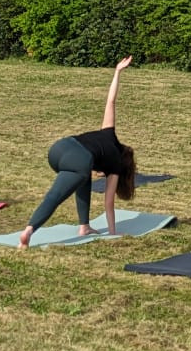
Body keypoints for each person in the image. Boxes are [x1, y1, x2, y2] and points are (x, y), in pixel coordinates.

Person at [16, 57, 140, 248]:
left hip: (58, 149)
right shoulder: (115, 165)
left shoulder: (108, 132)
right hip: (78, 159)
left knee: (84, 176)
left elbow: (111, 101)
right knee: (56, 196)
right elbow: (108, 203)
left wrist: (117, 71)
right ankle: (28, 231)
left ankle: (84, 226)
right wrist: (113, 232)